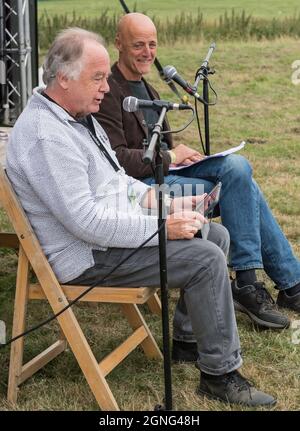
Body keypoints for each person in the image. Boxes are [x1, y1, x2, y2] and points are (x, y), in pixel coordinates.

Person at [6, 28, 276, 407]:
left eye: (104, 77)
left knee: (213, 236)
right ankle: (220, 375)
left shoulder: (77, 116)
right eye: (97, 78)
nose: (106, 87)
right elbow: (85, 222)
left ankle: (187, 342)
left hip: (106, 239)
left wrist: (167, 203)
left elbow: (117, 182)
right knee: (205, 257)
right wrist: (163, 227)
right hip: (87, 257)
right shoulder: (47, 136)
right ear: (64, 79)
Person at [94, 13, 300, 337]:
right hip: (143, 188)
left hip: (169, 171)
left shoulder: (145, 83)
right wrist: (172, 155)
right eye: (138, 45)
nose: (147, 52)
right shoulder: (110, 91)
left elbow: (160, 142)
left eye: (152, 44)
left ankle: (275, 283)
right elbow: (117, 160)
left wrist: (186, 156)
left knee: (237, 170)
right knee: (242, 183)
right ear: (118, 43)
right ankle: (269, 283)